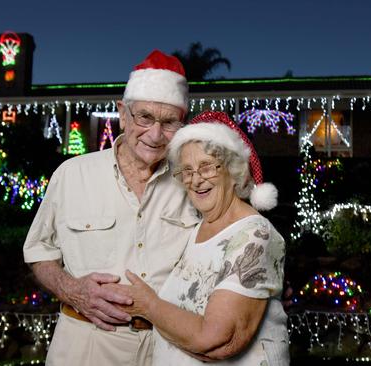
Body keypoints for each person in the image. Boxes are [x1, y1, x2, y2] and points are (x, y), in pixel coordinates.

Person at [22, 50, 200, 365]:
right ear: (122, 113)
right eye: (144, 117)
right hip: (85, 346)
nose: (155, 135)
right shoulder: (72, 174)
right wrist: (72, 289)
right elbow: (39, 252)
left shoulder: (194, 184)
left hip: (170, 350)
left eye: (169, 122)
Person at [105, 111, 290, 365]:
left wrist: (149, 306)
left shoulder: (254, 235)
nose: (196, 179)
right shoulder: (195, 230)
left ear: (233, 169)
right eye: (187, 171)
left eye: (206, 166)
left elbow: (215, 338)